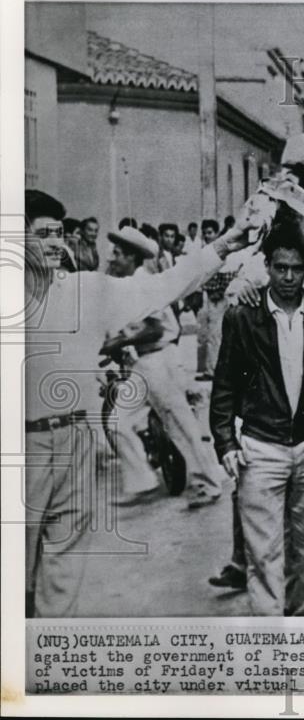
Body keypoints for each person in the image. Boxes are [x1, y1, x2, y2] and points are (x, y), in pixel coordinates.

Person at [23, 189, 254, 617]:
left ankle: (47, 657)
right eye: (43, 234)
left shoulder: (84, 289)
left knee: (66, 557)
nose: (56, 243)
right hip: (20, 449)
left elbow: (163, 286)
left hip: (75, 437)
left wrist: (225, 245)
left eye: (59, 234)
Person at [209, 224, 304, 616]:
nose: (288, 277)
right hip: (260, 447)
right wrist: (226, 442)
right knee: (264, 554)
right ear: (267, 267)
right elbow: (223, 385)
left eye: (296, 268)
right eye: (280, 268)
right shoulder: (243, 317)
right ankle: (270, 640)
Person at [101, 226, 224, 509]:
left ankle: (209, 483)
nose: (111, 259)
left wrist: (119, 342)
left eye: (117, 254)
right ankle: (142, 481)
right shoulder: (129, 286)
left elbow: (156, 329)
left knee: (179, 424)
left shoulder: (144, 284)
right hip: (143, 363)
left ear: (131, 258)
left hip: (158, 360)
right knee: (117, 422)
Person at [196, 219, 230, 377]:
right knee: (204, 333)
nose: (207, 236)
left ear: (216, 233)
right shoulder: (204, 251)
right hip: (207, 296)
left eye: (210, 233)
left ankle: (213, 371)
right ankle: (205, 367)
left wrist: (219, 290)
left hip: (219, 297)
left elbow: (228, 273)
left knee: (215, 334)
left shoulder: (221, 250)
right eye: (204, 233)